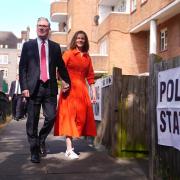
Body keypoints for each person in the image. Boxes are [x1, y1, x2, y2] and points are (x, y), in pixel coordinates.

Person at [19, 17, 70, 163]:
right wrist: (24, 87)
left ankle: (41, 138)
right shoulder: (28, 45)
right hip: (33, 88)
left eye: (45, 26)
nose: (42, 28)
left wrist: (67, 82)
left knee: (52, 117)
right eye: (40, 26)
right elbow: (22, 67)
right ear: (36, 28)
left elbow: (61, 66)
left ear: (49, 29)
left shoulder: (55, 46)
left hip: (50, 87)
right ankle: (34, 150)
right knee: (32, 121)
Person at [54, 30, 97, 160]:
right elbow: (59, 70)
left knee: (81, 119)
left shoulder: (87, 57)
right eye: (78, 38)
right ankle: (69, 149)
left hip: (82, 91)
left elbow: (90, 77)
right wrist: (63, 83)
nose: (80, 40)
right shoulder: (68, 53)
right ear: (75, 40)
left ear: (85, 41)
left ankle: (70, 146)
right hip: (69, 90)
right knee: (69, 118)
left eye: (83, 38)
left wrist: (93, 92)